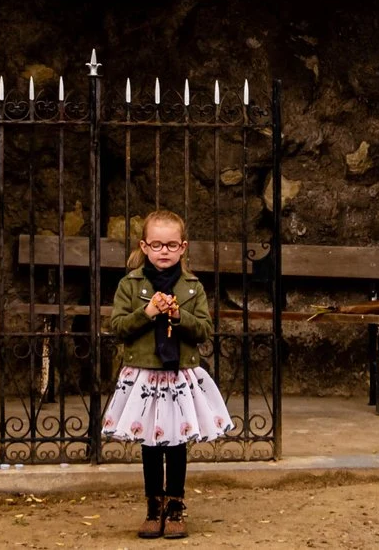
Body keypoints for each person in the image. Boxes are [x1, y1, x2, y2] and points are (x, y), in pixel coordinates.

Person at [104, 208, 230, 537]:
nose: (164, 251)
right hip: (144, 375)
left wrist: (178, 317)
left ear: (183, 247)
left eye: (171, 245)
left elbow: (204, 330)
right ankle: (153, 507)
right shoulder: (129, 285)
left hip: (179, 375)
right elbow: (118, 327)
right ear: (144, 246)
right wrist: (147, 312)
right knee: (150, 444)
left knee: (175, 444)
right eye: (157, 244)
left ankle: (175, 507)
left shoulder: (192, 287)